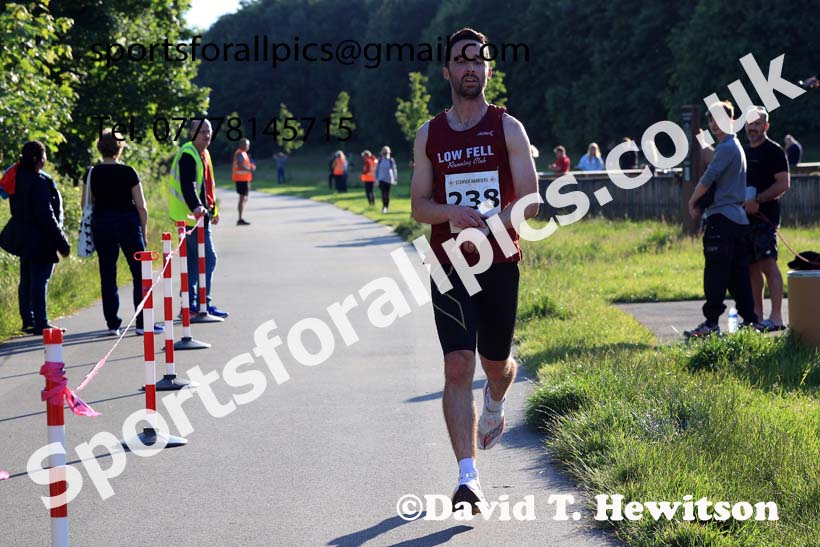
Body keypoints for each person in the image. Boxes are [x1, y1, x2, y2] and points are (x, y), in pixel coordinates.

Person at [410, 27, 539, 513]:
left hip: (498, 260)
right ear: (446, 70)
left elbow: (530, 199)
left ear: (488, 70)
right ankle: (468, 478)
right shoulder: (430, 133)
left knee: (495, 365)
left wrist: (491, 224)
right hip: (447, 263)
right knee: (457, 364)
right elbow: (419, 206)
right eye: (461, 60)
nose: (470, 68)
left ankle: (495, 403)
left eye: (478, 60)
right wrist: (450, 213)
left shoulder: (508, 128)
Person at [685, 100, 759, 338]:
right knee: (738, 275)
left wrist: (692, 201)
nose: (714, 124)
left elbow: (709, 178)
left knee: (716, 273)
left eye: (718, 119)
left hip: (722, 220)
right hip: (737, 221)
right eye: (710, 120)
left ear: (730, 119)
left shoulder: (727, 148)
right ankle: (750, 323)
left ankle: (710, 323)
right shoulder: (733, 145)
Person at [87, 129, 153, 336]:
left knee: (108, 274)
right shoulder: (129, 172)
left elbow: (86, 204)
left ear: (100, 148)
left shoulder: (92, 173)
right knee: (139, 274)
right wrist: (144, 231)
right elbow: (141, 206)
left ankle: (113, 324)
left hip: (102, 225)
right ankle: (142, 323)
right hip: (128, 224)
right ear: (120, 148)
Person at [167, 119, 229, 318]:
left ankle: (192, 305)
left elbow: (207, 186)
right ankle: (200, 304)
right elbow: (189, 186)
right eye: (202, 131)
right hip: (190, 219)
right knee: (208, 259)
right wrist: (196, 207)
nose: (206, 135)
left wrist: (214, 210)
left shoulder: (203, 153)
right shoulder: (188, 154)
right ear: (192, 133)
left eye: (209, 131)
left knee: (194, 262)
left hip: (198, 217)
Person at [11, 141, 70, 335]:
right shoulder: (39, 182)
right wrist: (62, 242)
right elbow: (47, 216)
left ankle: (28, 320)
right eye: (44, 155)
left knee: (26, 279)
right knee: (39, 281)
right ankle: (41, 323)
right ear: (38, 159)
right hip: (40, 239)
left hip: (23, 237)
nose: (45, 159)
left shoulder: (17, 178)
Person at [743, 106, 790, 331]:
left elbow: (783, 183)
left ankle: (777, 317)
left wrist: (758, 200)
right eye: (750, 123)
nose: (753, 128)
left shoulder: (774, 151)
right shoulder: (743, 151)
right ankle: (758, 317)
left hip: (766, 217)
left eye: (757, 123)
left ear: (766, 126)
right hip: (744, 219)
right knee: (752, 267)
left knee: (767, 264)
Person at [232, 138, 255, 226]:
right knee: (242, 198)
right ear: (242, 145)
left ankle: (241, 217)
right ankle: (240, 218)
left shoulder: (244, 154)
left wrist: (251, 167)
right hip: (241, 179)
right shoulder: (240, 153)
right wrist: (250, 169)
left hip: (245, 179)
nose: (247, 146)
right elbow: (240, 166)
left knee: (244, 198)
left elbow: (245, 164)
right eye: (246, 144)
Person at [376, 146, 397, 213]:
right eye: (384, 152)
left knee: (387, 194)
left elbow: (394, 170)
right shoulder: (379, 160)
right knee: (383, 193)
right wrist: (376, 179)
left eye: (386, 152)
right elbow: (376, 170)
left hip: (388, 179)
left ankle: (386, 207)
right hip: (381, 179)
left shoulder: (391, 160)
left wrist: (395, 179)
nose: (385, 153)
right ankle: (383, 207)